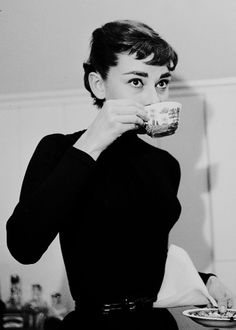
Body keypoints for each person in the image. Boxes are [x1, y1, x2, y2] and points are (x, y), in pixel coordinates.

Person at [6, 19, 235, 330]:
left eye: (162, 83)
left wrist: (204, 281)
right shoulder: (59, 150)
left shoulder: (165, 165)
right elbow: (24, 247)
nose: (154, 99)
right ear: (98, 84)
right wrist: (90, 145)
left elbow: (143, 259)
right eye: (137, 82)